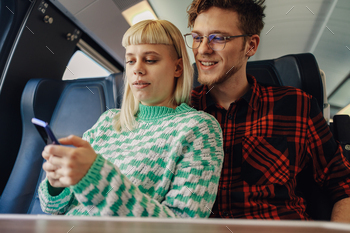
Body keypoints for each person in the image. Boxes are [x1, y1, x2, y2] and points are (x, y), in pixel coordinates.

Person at [38, 19, 224, 218]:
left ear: (178, 68)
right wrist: (56, 182)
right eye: (130, 60)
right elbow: (52, 207)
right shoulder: (107, 122)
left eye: (150, 60)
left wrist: (98, 179)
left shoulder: (199, 129)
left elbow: (183, 225)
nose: (137, 69)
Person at [186, 0, 350, 221]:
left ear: (251, 45)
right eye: (197, 37)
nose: (203, 49)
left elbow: (344, 184)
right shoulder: (181, 111)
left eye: (219, 38)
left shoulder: (296, 107)